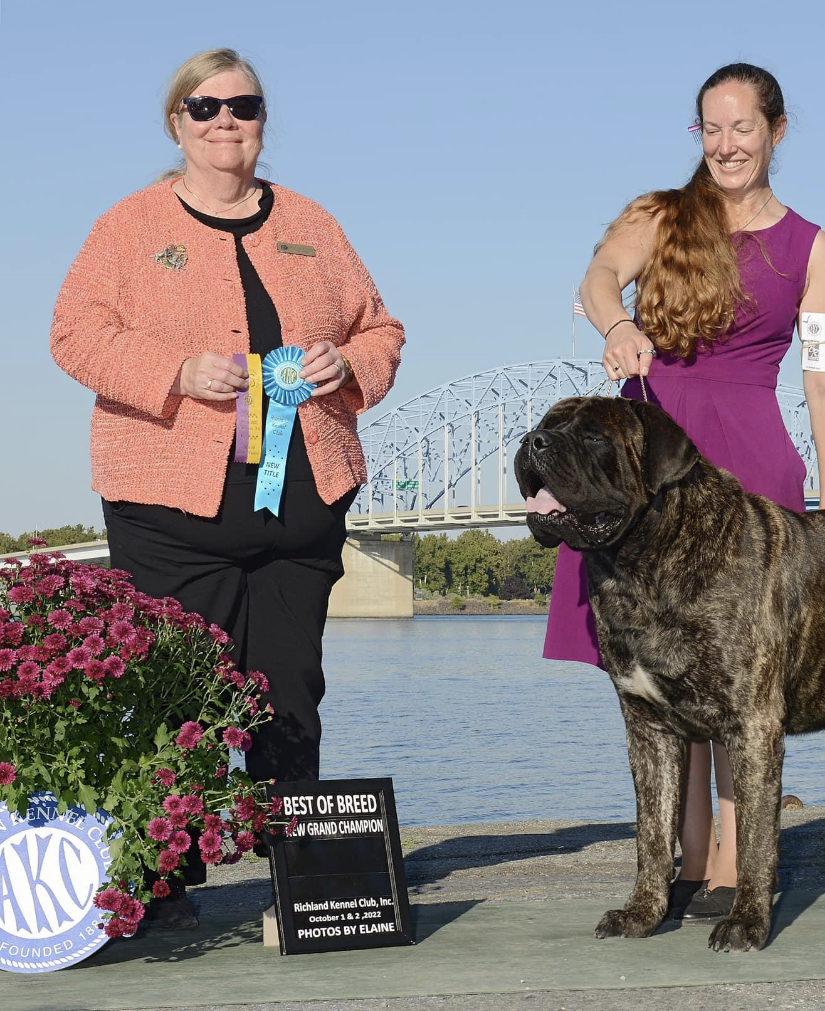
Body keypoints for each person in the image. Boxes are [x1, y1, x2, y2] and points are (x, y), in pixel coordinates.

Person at [50, 48, 404, 927]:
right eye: (204, 108)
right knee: (179, 699)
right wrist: (173, 369)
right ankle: (165, 886)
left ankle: (306, 889)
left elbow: (383, 329)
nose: (224, 123)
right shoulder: (127, 227)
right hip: (168, 510)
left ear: (262, 119)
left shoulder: (314, 224)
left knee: (291, 697)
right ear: (177, 121)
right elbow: (73, 333)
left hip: (301, 502)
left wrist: (345, 361)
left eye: (242, 106)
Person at [545, 63, 825, 922]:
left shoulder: (813, 248)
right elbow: (597, 279)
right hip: (645, 462)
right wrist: (619, 323)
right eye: (710, 129)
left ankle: (729, 858)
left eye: (742, 128)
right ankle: (674, 858)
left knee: (740, 678)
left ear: (777, 132)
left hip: (753, 460)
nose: (726, 145)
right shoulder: (658, 216)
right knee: (654, 674)